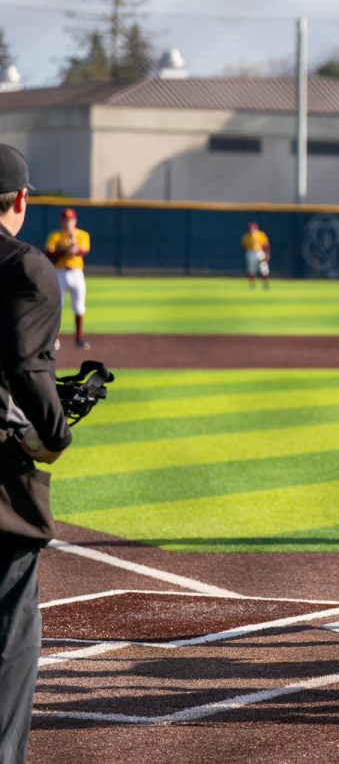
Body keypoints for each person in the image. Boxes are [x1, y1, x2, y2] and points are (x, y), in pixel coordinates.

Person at [0, 144, 72, 763]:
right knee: (10, 632)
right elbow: (27, 364)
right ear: (21, 200)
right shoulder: (25, 266)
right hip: (0, 479)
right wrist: (55, 431)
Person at [44, 207, 91, 349]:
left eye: (70, 220)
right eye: (65, 220)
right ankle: (54, 339)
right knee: (57, 307)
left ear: (75, 221)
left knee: (79, 307)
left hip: (77, 273)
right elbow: (49, 254)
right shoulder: (55, 236)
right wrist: (65, 250)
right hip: (60, 273)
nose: (68, 223)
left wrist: (73, 247)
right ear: (61, 221)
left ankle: (79, 339)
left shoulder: (82, 235)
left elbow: (82, 251)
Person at [242, 220, 271, 289]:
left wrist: (267, 254)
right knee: (252, 270)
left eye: (253, 228)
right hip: (251, 252)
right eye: (251, 228)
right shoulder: (246, 236)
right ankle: (252, 285)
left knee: (264, 269)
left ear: (256, 228)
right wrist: (248, 252)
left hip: (260, 252)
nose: (252, 229)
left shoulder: (261, 234)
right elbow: (244, 245)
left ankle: (265, 285)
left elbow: (266, 245)